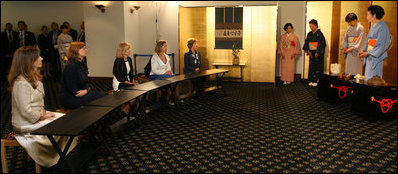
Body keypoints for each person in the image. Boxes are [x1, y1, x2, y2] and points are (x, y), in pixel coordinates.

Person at [8, 46, 78, 168]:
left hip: (36, 117)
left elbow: (37, 103)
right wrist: (42, 116)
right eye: (38, 56)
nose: (41, 58)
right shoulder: (21, 83)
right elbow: (25, 111)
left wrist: (44, 113)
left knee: (67, 120)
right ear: (29, 61)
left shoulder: (33, 77)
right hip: (25, 123)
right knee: (59, 126)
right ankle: (53, 157)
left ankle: (59, 154)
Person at [60, 42, 107, 109]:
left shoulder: (82, 64)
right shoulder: (71, 67)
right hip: (70, 98)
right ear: (75, 51)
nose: (86, 50)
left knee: (105, 96)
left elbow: (86, 84)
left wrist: (86, 90)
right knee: (103, 96)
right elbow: (73, 89)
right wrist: (87, 91)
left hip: (82, 93)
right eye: (83, 48)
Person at [359, 5, 391, 82]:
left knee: (374, 79)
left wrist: (368, 53)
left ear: (374, 15)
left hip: (376, 57)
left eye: (368, 14)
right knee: (368, 78)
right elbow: (368, 41)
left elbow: (382, 45)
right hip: (370, 55)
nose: (367, 16)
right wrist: (364, 50)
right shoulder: (373, 27)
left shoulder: (383, 27)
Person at [113, 42, 141, 116]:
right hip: (120, 83)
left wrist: (133, 80)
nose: (129, 50)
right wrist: (130, 83)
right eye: (128, 49)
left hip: (128, 81)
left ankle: (128, 109)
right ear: (123, 51)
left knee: (141, 90)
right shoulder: (118, 61)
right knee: (135, 92)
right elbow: (119, 77)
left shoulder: (129, 59)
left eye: (129, 49)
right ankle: (127, 110)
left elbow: (131, 73)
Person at [303, 19, 326, 87]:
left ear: (316, 25)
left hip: (317, 54)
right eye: (310, 26)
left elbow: (322, 44)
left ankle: (316, 80)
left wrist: (318, 52)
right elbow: (307, 43)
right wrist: (308, 51)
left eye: (312, 26)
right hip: (311, 53)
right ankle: (311, 80)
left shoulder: (320, 34)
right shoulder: (309, 34)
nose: (311, 27)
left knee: (318, 67)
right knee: (312, 67)